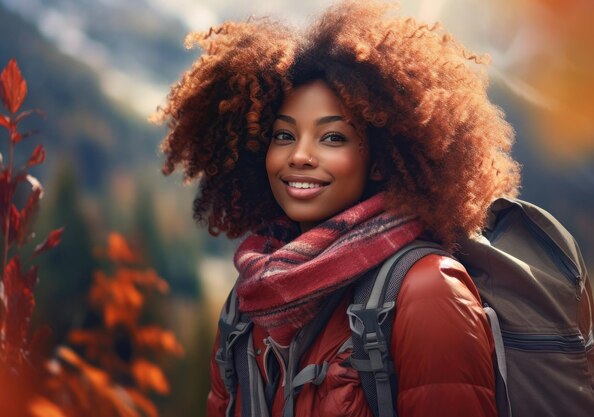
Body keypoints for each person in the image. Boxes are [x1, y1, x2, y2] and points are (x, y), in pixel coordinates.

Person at [156, 1, 520, 416]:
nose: (300, 156)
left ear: (381, 158)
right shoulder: (251, 297)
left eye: (332, 138)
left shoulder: (427, 291)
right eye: (283, 136)